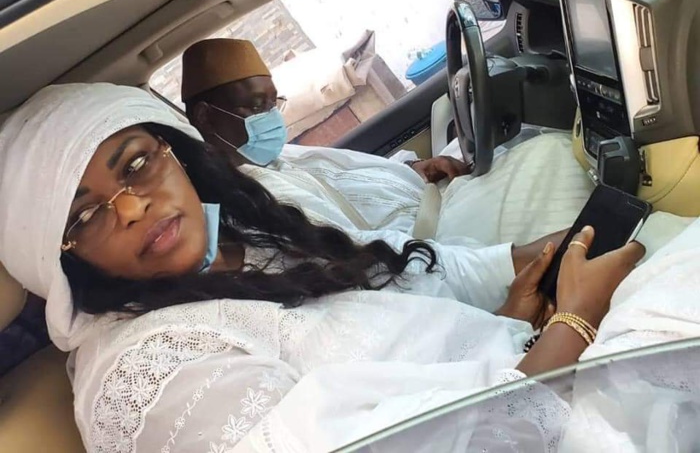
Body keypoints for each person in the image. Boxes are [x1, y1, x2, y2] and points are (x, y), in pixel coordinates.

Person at [0, 83, 651, 452]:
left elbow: (400, 272)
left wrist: (536, 261)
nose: (132, 206)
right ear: (61, 257)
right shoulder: (146, 379)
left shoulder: (243, 236)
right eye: (85, 216)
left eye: (138, 163)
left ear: (174, 152)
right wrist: (571, 326)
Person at [181, 39, 594, 246]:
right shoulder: (248, 200)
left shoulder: (274, 155)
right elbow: (361, 251)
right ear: (204, 116)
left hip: (429, 195)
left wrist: (412, 169)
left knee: (514, 137)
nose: (271, 117)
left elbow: (345, 179)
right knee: (551, 152)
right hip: (431, 239)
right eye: (256, 106)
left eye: (274, 103)